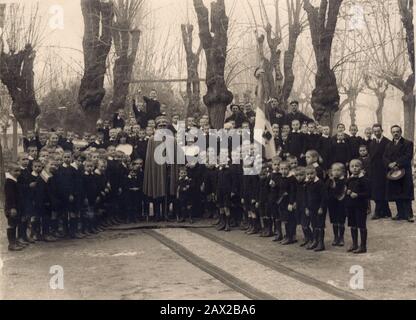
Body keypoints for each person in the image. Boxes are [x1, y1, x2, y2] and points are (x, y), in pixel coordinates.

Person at [383, 125, 414, 222]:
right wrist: (389, 164)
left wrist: (396, 163)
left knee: (406, 193)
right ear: (391, 133)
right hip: (394, 172)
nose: (395, 133)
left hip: (404, 172)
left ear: (400, 132)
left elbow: (408, 156)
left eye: (397, 131)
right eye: (393, 132)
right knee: (397, 192)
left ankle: (409, 214)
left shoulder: (408, 143)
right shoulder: (388, 145)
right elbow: (385, 156)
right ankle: (400, 213)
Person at [346, 159, 370, 254]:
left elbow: (368, 193)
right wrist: (347, 192)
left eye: (357, 166)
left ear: (361, 168)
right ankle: (354, 244)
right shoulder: (349, 180)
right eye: (352, 166)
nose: (354, 168)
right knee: (352, 225)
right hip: (351, 206)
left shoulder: (364, 180)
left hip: (360, 206)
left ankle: (363, 246)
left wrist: (358, 195)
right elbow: (346, 189)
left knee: (361, 225)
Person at [369, 124, 392, 219]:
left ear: (382, 130)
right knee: (376, 190)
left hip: (384, 169)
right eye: (375, 131)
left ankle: (379, 212)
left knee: (383, 190)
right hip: (374, 170)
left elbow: (390, 156)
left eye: (378, 131)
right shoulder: (372, 142)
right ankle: (385, 211)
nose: (377, 133)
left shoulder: (388, 142)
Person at [305, 165, 327, 252]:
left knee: (320, 225)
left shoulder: (320, 183)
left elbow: (324, 197)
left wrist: (321, 207)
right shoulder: (307, 184)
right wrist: (306, 208)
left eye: (311, 173)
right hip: (311, 208)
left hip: (319, 208)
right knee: (313, 224)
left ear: (315, 173)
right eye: (308, 174)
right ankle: (315, 241)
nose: (310, 176)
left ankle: (321, 243)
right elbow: (306, 197)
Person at [327, 163, 347, 247]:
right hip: (332, 203)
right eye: (334, 170)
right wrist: (331, 181)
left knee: (341, 221)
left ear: (343, 171)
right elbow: (326, 189)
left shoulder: (345, 181)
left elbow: (343, 191)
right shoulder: (330, 180)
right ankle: (336, 237)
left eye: (338, 170)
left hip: (341, 203)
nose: (336, 172)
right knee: (334, 221)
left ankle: (341, 237)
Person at [5, 163, 23, 251]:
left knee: (15, 224)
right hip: (11, 208)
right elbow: (9, 197)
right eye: (15, 171)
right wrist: (12, 208)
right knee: (11, 225)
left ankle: (14, 241)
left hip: (16, 206)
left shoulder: (15, 180)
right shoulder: (9, 182)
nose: (18, 173)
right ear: (9, 171)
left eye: (19, 171)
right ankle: (11, 244)